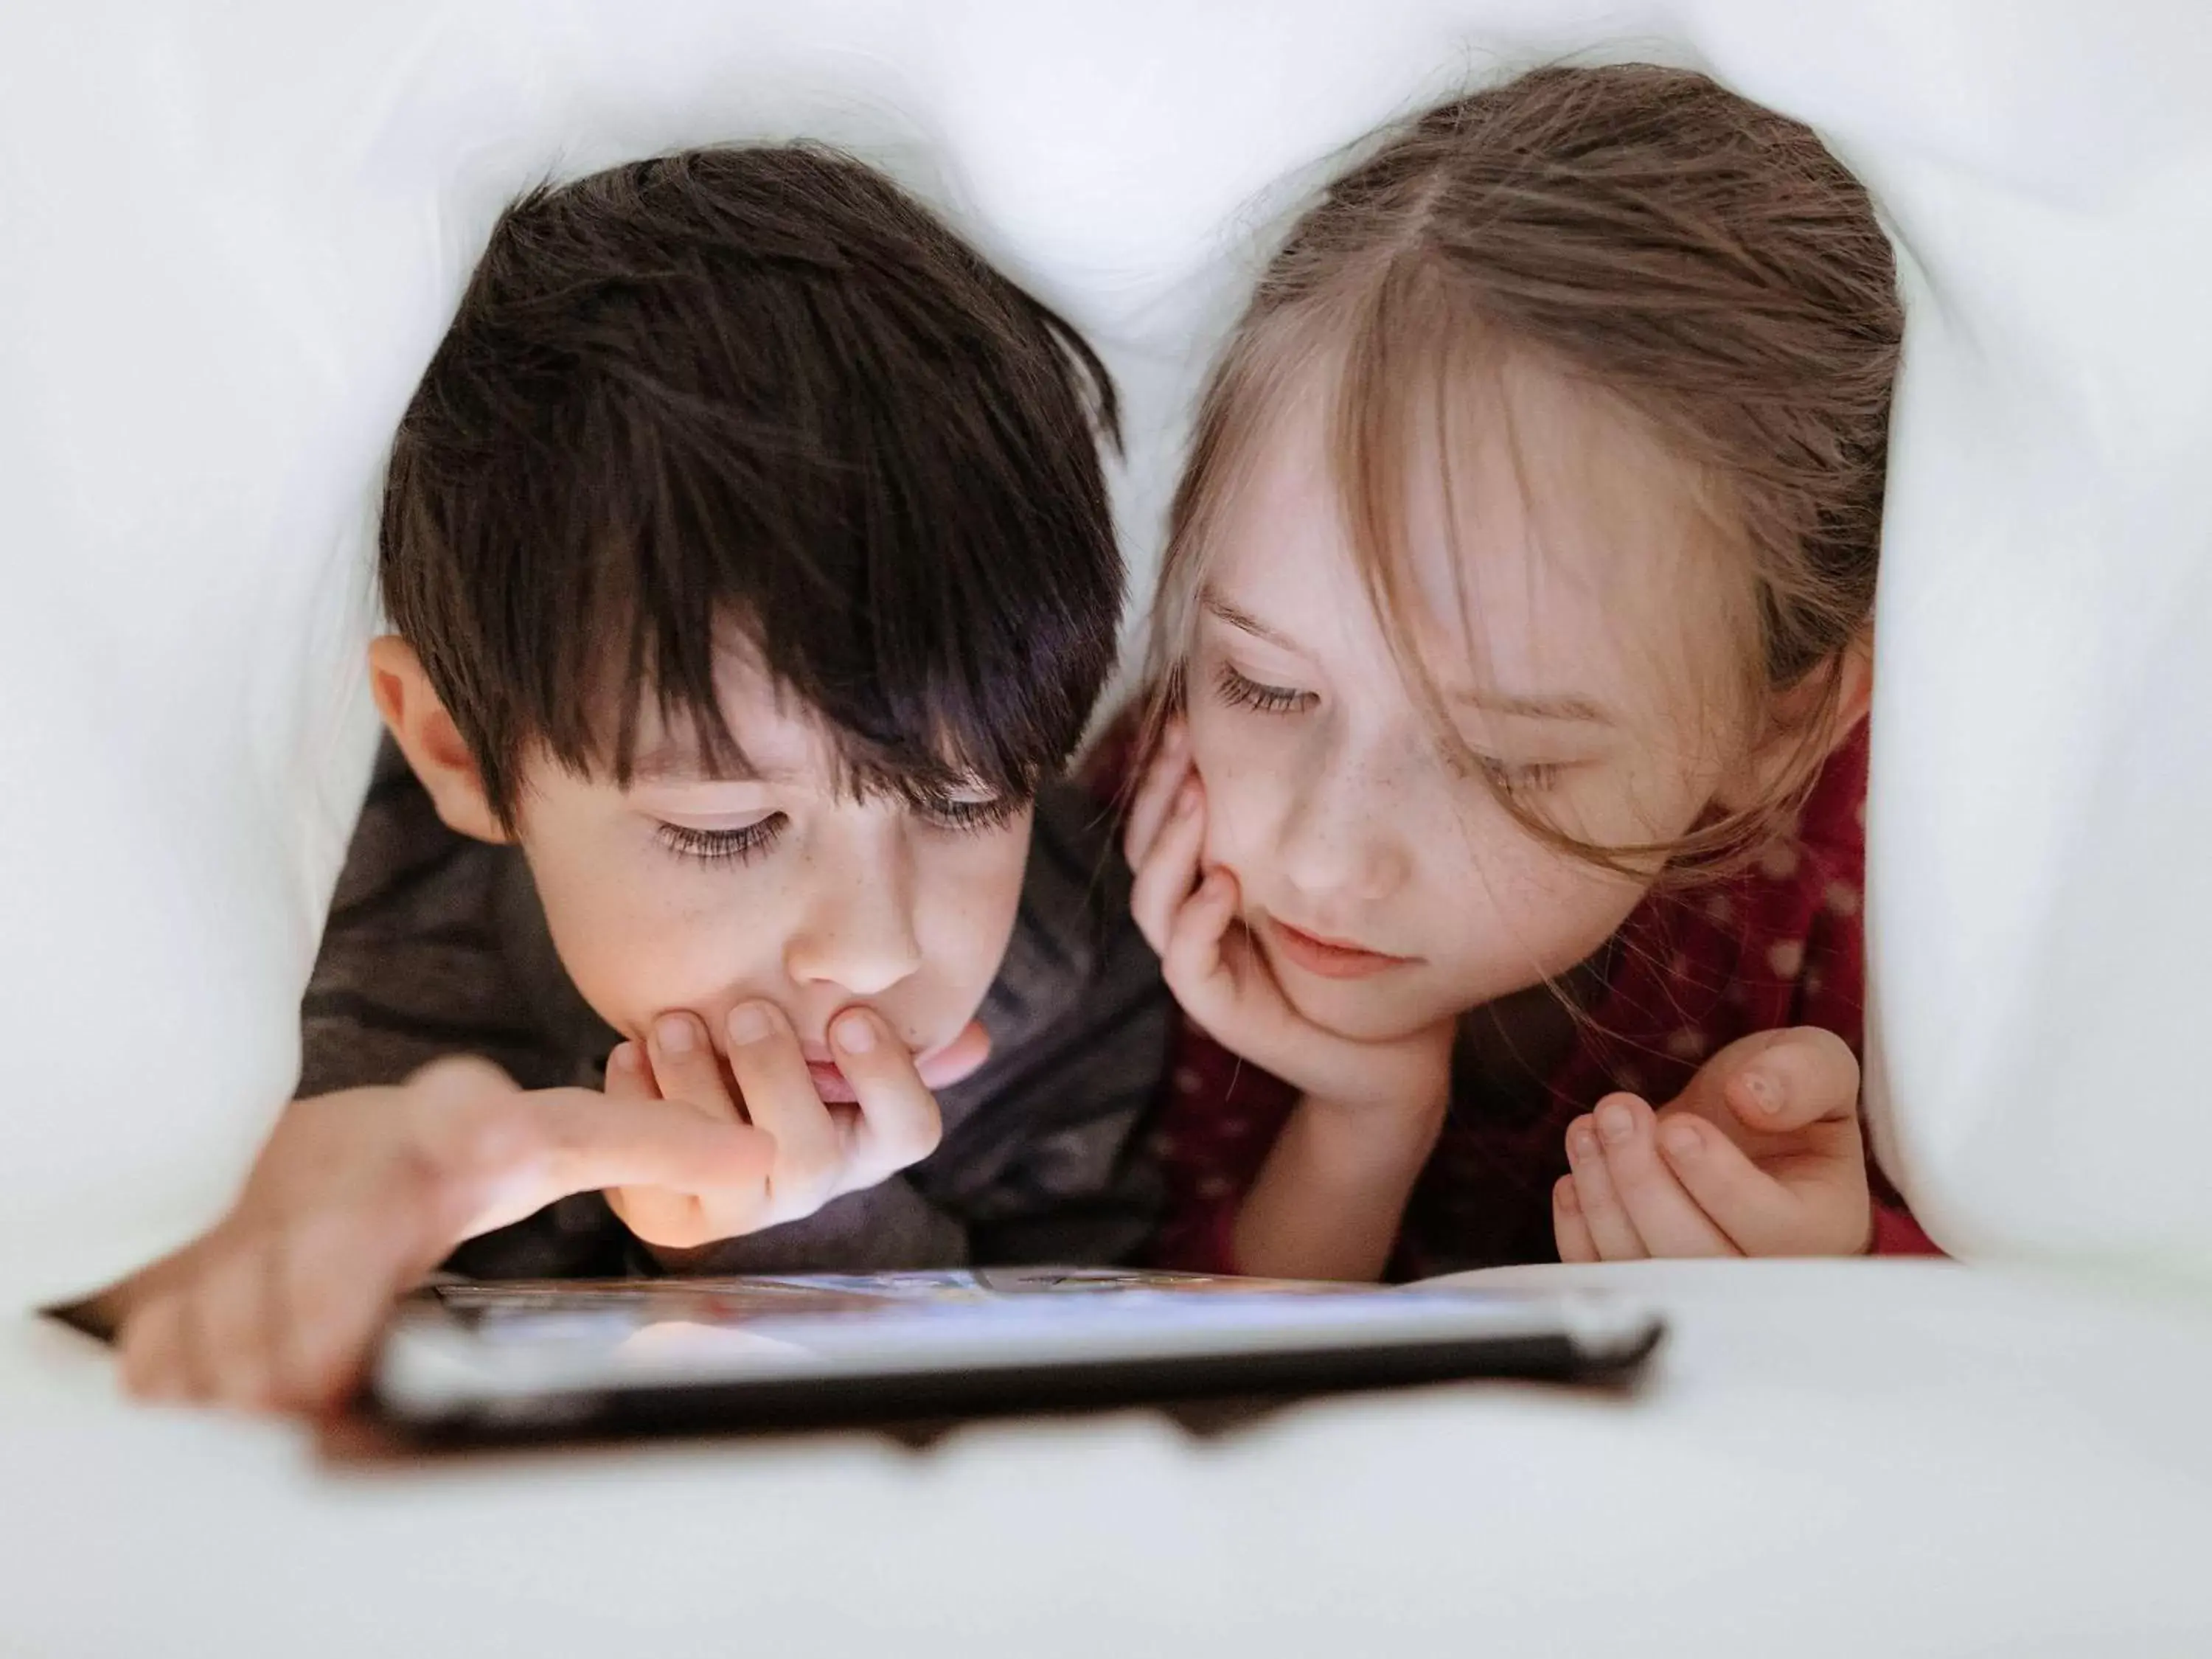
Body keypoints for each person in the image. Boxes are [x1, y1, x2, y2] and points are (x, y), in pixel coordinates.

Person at [103, 145, 1170, 1409]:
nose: (875, 949)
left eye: (961, 799)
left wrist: (772, 1241)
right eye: (729, 827)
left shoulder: (1078, 970)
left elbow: (1088, 1387)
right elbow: (100, 1280)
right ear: (458, 752)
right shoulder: (328, 965)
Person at [1121, 63, 1935, 1281]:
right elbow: (1170, 1372)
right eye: (1265, 685)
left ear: (1785, 722)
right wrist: (1359, 1124)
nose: (1324, 858)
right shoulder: (1141, 842)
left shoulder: (1873, 902)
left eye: (1504, 760)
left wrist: (1842, 1272)